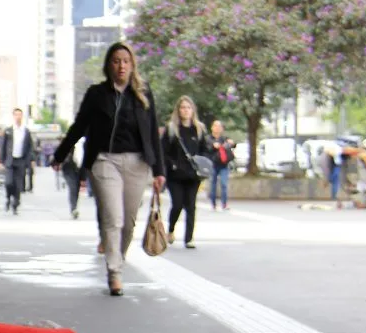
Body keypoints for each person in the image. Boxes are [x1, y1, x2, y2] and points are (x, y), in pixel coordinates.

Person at [51, 42, 166, 296]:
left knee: (128, 223)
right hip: (105, 161)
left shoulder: (143, 93)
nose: (121, 65)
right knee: (113, 218)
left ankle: (119, 260)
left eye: (125, 61)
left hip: (137, 163)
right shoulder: (96, 94)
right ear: (108, 65)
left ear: (132, 64)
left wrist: (159, 170)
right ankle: (115, 272)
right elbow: (79, 126)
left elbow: (153, 132)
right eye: (116, 60)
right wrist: (60, 154)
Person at [162, 96, 211, 249]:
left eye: (188, 107)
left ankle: (189, 238)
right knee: (177, 204)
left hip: (193, 175)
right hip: (175, 175)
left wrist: (202, 163)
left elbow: (205, 150)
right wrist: (172, 165)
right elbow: (163, 151)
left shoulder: (199, 129)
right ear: (178, 110)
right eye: (183, 107)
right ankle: (170, 230)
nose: (185, 110)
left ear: (192, 110)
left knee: (190, 205)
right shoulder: (172, 129)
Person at [0, 108, 34, 215]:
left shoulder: (26, 131)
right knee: (9, 183)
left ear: (22, 117)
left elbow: (30, 147)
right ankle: (8, 198)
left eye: (20, 115)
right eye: (16, 115)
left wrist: (31, 160)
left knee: (18, 185)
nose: (18, 117)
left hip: (21, 161)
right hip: (10, 161)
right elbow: (3, 146)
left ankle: (15, 204)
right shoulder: (9, 131)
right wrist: (1, 161)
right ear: (13, 116)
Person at [208, 121, 234, 212]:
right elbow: (206, 149)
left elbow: (233, 145)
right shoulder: (208, 139)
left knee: (224, 184)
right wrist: (213, 146)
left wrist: (232, 143)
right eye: (215, 126)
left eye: (219, 126)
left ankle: (224, 204)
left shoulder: (224, 139)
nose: (217, 128)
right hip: (212, 165)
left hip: (224, 165)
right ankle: (213, 204)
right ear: (212, 127)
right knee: (213, 185)